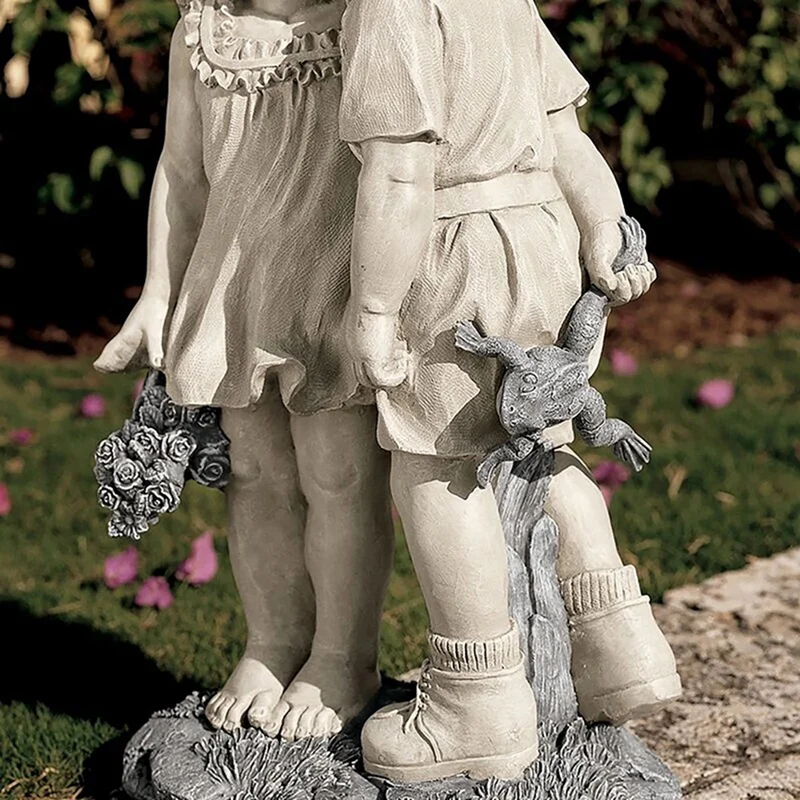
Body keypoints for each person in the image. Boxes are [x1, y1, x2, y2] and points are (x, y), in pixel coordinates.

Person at [94, 0, 680, 778]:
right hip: (238, 289)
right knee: (258, 474)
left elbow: (405, 169)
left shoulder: (368, 17)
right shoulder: (206, 35)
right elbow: (182, 171)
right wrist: (159, 293)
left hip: (347, 279)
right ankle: (274, 644)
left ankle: (353, 662)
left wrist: (374, 309)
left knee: (360, 476)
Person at [338, 0, 680, 780]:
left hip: (454, 253)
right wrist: (605, 228)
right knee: (543, 443)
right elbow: (567, 135)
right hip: (544, 238)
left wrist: (375, 307)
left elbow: (399, 173)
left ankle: (477, 701)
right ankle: (616, 638)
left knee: (438, 464)